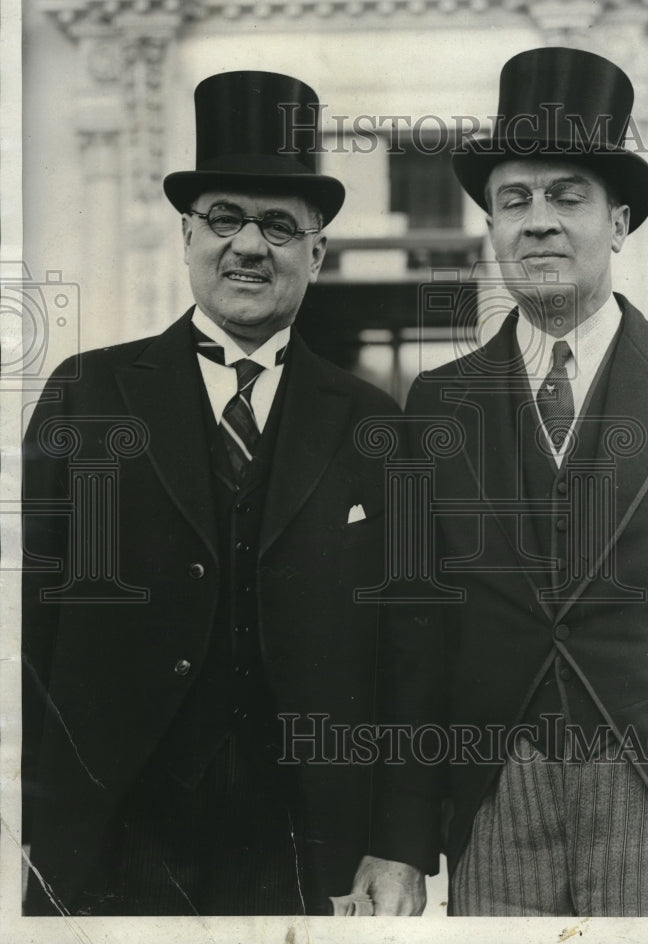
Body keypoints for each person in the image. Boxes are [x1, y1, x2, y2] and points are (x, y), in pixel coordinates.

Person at [358, 47, 648, 917]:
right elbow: (415, 633)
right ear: (490, 227)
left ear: (620, 223)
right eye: (514, 200)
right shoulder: (437, 404)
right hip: (497, 802)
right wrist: (402, 841)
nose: (539, 223)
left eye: (568, 197)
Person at [22, 70, 401, 916]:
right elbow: (31, 617)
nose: (249, 245)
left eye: (278, 224)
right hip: (114, 827)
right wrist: (31, 814)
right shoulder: (87, 394)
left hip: (300, 839)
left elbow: (405, 647)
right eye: (225, 218)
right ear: (188, 236)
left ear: (318, 252)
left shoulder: (374, 420)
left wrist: (396, 841)